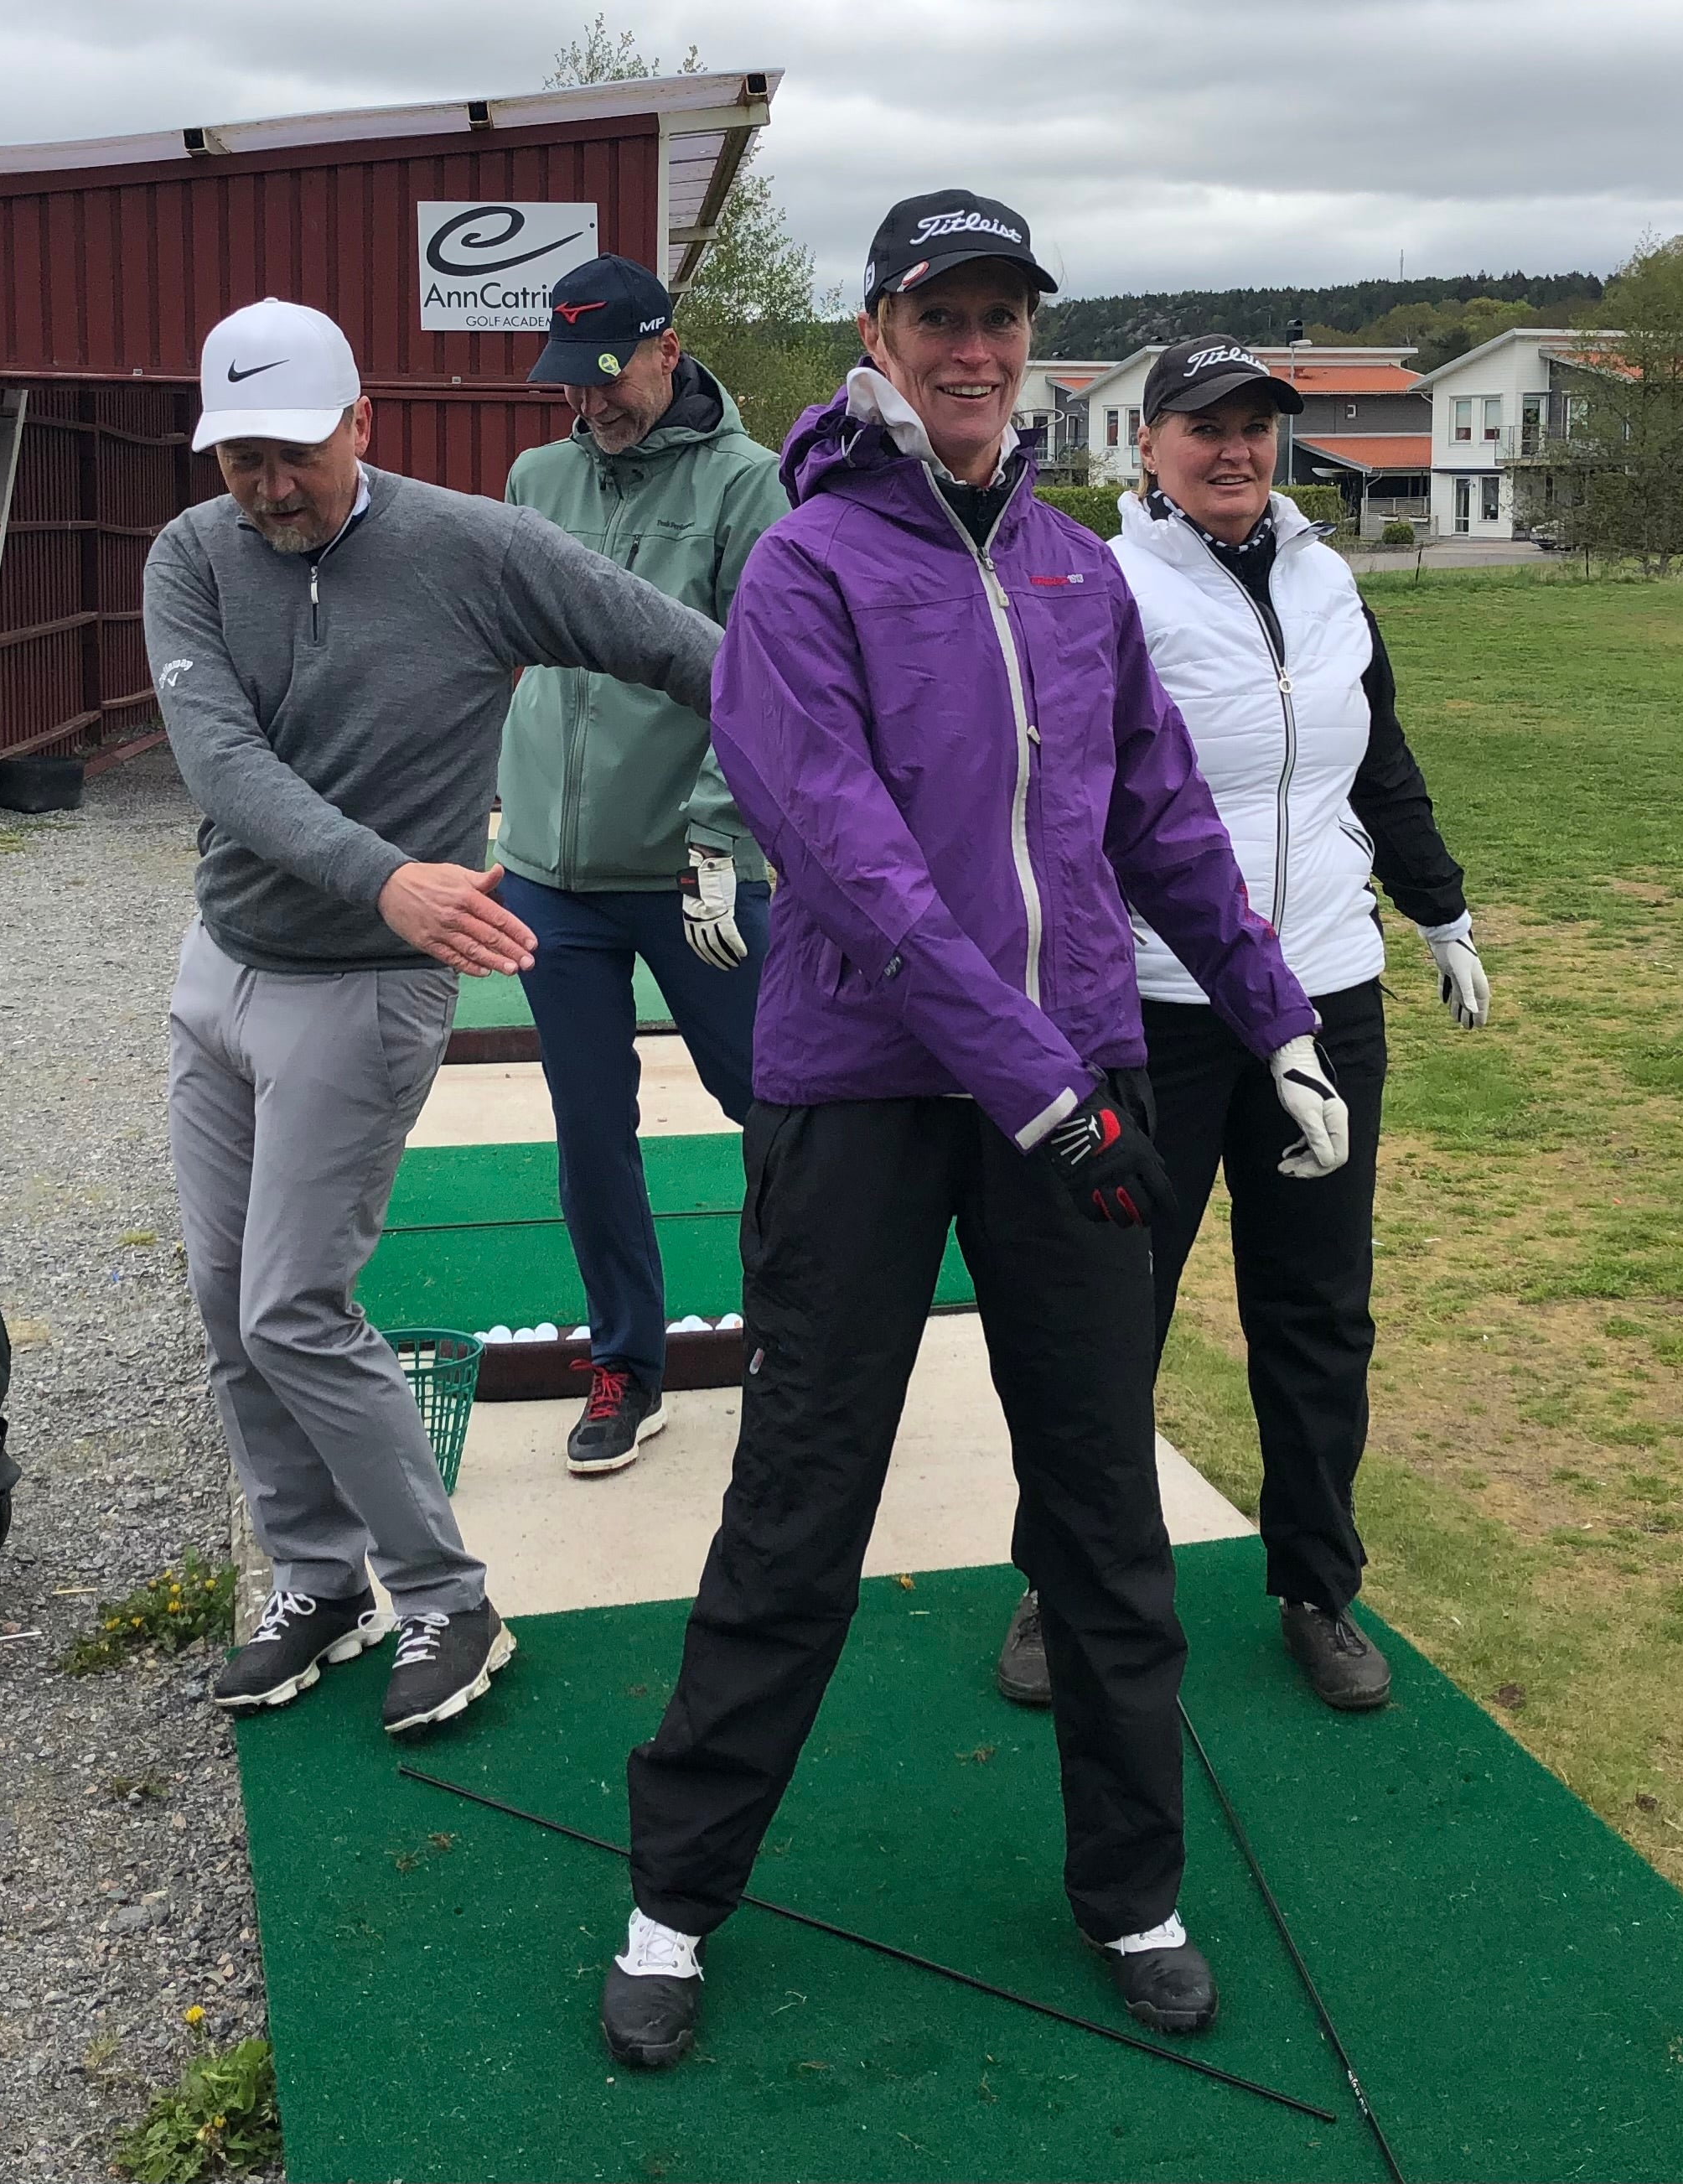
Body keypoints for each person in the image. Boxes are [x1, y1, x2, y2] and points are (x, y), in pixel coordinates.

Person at [599, 194, 1349, 2072]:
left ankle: (1134, 1887)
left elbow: (1158, 822)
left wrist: (1274, 1021)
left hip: (1071, 1078)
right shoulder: (807, 565)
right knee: (800, 1503)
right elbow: (853, 866)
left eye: (1003, 316)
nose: (976, 348)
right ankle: (675, 1894)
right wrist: (1040, 1089)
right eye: (941, 315)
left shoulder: (1077, 570)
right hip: (870, 1099)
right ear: (877, 332)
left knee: (1102, 1509)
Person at [143, 297, 725, 1731]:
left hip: (365, 987)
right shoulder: (192, 555)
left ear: (362, 421)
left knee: (294, 1305)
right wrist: (386, 870)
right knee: (228, 1304)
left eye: (296, 451)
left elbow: (690, 652)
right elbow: (220, 763)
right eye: (241, 458)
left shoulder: (476, 548)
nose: (270, 486)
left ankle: (446, 1597)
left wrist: (831, 757)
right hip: (222, 971)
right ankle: (317, 1578)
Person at [993, 335, 1491, 1719]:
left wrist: (1438, 910)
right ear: (1146, 445)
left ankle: (1316, 1585)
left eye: (1255, 424)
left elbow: (1375, 760)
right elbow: (1061, 795)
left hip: (1323, 985)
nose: (1234, 449)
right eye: (1203, 426)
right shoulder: (1102, 583)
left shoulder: (1329, 580)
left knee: (1318, 1306)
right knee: (1112, 1313)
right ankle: (1058, 1578)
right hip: (1156, 1001)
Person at [499, 255, 790, 1476]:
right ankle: (627, 1359)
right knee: (589, 1130)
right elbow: (503, 645)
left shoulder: (748, 483)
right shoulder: (536, 478)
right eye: (571, 381)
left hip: (692, 869)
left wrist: (719, 833)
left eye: (608, 376)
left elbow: (765, 673)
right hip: (550, 874)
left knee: (776, 1111)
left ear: (669, 349)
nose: (589, 402)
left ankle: (797, 1342)